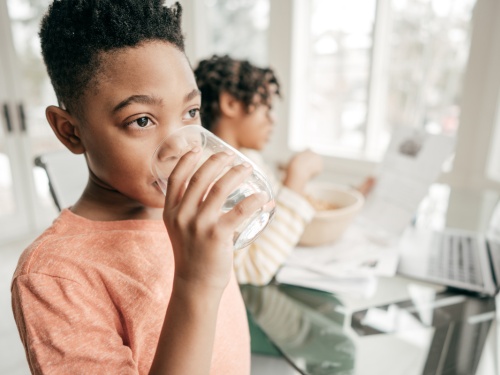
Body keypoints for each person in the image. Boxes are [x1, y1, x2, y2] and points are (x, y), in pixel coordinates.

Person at [11, 2, 268, 374]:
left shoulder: (190, 212)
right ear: (70, 130)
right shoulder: (53, 277)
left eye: (190, 113)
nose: (182, 144)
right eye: (142, 120)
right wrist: (196, 283)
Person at [194, 55, 324, 286]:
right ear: (231, 103)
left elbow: (273, 222)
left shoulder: (249, 158)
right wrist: (297, 177)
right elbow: (252, 270)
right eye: (266, 108)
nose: (272, 120)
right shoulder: (215, 173)